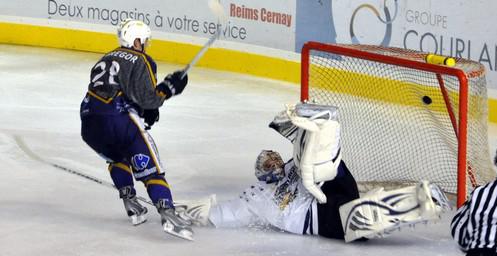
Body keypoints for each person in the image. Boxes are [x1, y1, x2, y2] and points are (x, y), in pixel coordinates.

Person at [187, 103, 449, 242]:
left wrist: (310, 146)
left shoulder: (292, 166)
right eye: (268, 164)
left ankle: (326, 121)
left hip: (328, 192)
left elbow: (309, 165)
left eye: (274, 157)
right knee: (359, 220)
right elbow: (226, 214)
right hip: (316, 219)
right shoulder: (255, 197)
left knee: (319, 162)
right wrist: (195, 213)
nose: (275, 162)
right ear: (260, 175)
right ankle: (419, 203)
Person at [80, 19, 192, 240]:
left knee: (117, 157)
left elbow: (115, 91)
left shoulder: (106, 57)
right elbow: (149, 99)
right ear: (136, 40)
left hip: (89, 122)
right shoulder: (142, 59)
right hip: (118, 119)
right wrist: (169, 88)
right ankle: (168, 214)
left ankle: (131, 204)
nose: (146, 45)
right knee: (151, 169)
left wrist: (143, 109)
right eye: (145, 41)